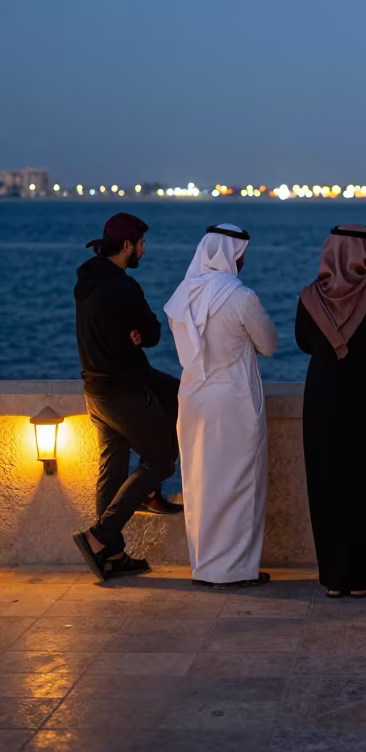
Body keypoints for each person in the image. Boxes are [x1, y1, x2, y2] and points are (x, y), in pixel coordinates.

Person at [295, 224, 366, 597]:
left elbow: (303, 342)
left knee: (328, 483)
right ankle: (365, 576)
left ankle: (335, 578)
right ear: (363, 253)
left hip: (324, 397)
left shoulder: (309, 297)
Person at [165, 224, 278, 589]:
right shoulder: (241, 297)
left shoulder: (183, 294)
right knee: (239, 483)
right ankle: (237, 570)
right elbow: (269, 344)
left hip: (194, 398)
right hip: (235, 400)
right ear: (234, 254)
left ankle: (204, 567)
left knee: (200, 481)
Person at [72, 213, 182, 581]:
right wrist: (137, 332)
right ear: (126, 246)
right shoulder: (123, 286)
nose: (143, 250)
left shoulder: (86, 278)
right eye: (141, 244)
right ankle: (101, 535)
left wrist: (132, 332)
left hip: (96, 390)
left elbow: (134, 331)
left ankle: (112, 556)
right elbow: (151, 333)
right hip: (124, 391)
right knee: (161, 461)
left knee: (114, 467)